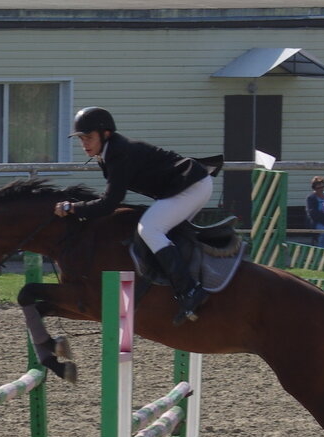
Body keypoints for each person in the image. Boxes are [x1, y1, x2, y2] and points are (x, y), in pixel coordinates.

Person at [55, 106, 215, 326]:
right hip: (191, 185)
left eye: (88, 138)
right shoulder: (109, 152)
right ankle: (181, 288)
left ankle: (190, 291)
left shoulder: (118, 152)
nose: (84, 144)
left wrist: (74, 208)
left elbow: (109, 203)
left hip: (192, 186)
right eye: (81, 139)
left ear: (105, 134)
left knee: (149, 228)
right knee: (161, 231)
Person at [305, 175, 324, 249]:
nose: (321, 189)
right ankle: (321, 250)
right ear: (314, 188)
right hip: (317, 222)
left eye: (322, 187)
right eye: (318, 188)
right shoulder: (311, 198)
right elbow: (313, 214)